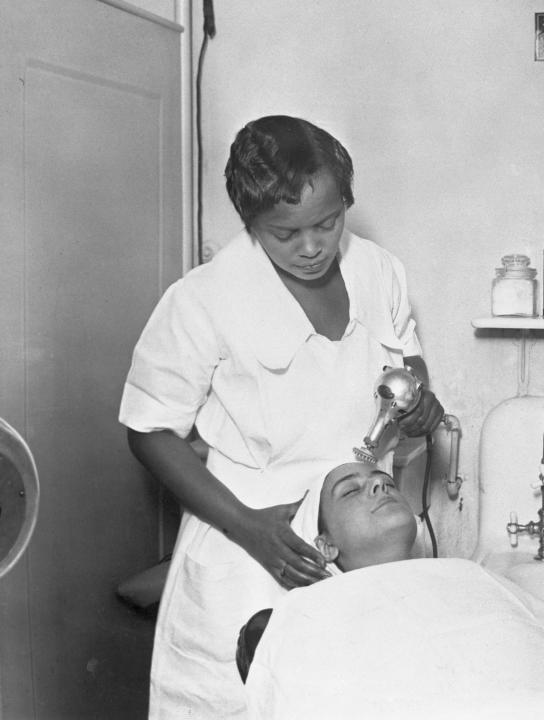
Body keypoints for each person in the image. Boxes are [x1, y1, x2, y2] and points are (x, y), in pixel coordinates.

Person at [119, 115, 445, 719]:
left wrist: (421, 405)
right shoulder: (204, 299)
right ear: (250, 224)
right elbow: (148, 430)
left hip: (359, 550)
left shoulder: (377, 271)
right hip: (246, 551)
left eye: (327, 222)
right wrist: (247, 527)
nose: (312, 246)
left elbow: (408, 372)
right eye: (284, 233)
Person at [238, 461, 544, 720]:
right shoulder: (309, 613)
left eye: (385, 482)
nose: (380, 484)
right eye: (351, 491)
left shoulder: (464, 576)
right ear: (326, 545)